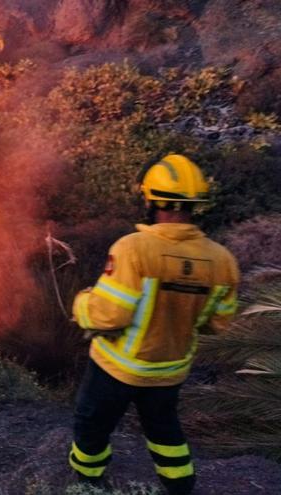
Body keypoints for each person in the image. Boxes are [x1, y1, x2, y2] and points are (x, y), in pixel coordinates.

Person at [69, 154, 239, 494]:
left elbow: (110, 314)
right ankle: (179, 484)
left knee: (92, 424)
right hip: (169, 370)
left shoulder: (134, 249)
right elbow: (217, 324)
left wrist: (82, 303)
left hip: (116, 369)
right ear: (196, 205)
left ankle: (87, 481)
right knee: (163, 429)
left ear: (151, 200)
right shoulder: (222, 261)